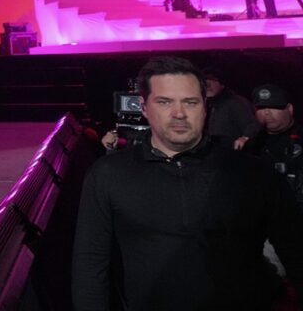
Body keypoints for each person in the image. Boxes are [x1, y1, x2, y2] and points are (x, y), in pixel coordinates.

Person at [71, 56, 303, 310]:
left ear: (205, 106)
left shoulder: (254, 174)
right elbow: (90, 264)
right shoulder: (107, 175)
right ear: (144, 107)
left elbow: (295, 250)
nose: (179, 113)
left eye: (190, 102)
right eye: (164, 102)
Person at [246, 84, 303, 211]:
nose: (266, 112)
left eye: (274, 107)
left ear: (289, 109)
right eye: (261, 107)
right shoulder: (252, 145)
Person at [202, 67, 259, 148]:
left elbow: (252, 125)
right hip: (212, 153)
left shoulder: (236, 102)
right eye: (204, 81)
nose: (208, 85)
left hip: (231, 154)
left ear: (222, 84)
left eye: (213, 80)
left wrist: (245, 138)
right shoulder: (205, 104)